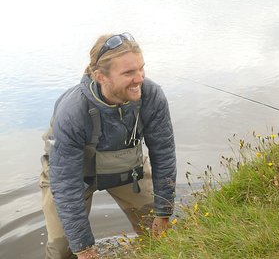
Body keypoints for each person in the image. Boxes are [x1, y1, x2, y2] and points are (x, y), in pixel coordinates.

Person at [40, 33, 177, 259]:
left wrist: (164, 213)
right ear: (100, 76)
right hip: (74, 176)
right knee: (63, 250)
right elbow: (65, 183)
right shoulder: (73, 111)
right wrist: (84, 248)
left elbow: (163, 154)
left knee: (158, 230)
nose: (140, 78)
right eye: (128, 73)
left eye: (141, 68)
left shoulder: (152, 96)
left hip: (126, 167)